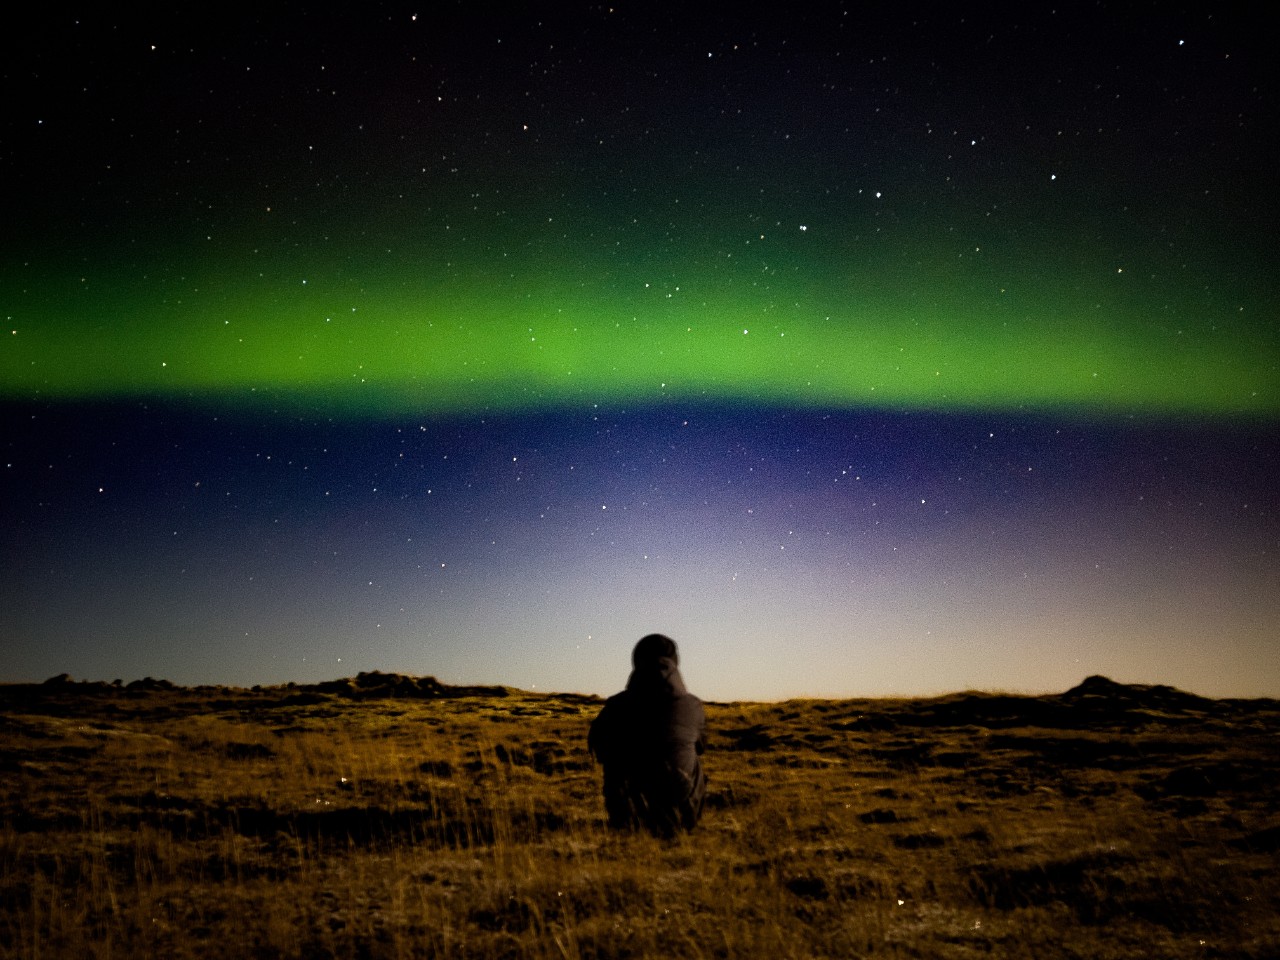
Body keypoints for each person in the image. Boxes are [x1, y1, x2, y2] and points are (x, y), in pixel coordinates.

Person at [588, 633, 707, 836]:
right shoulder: (693, 706)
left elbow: (597, 749)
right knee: (692, 754)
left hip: (629, 817)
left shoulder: (616, 705)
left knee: (613, 755)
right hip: (684, 817)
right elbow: (702, 746)